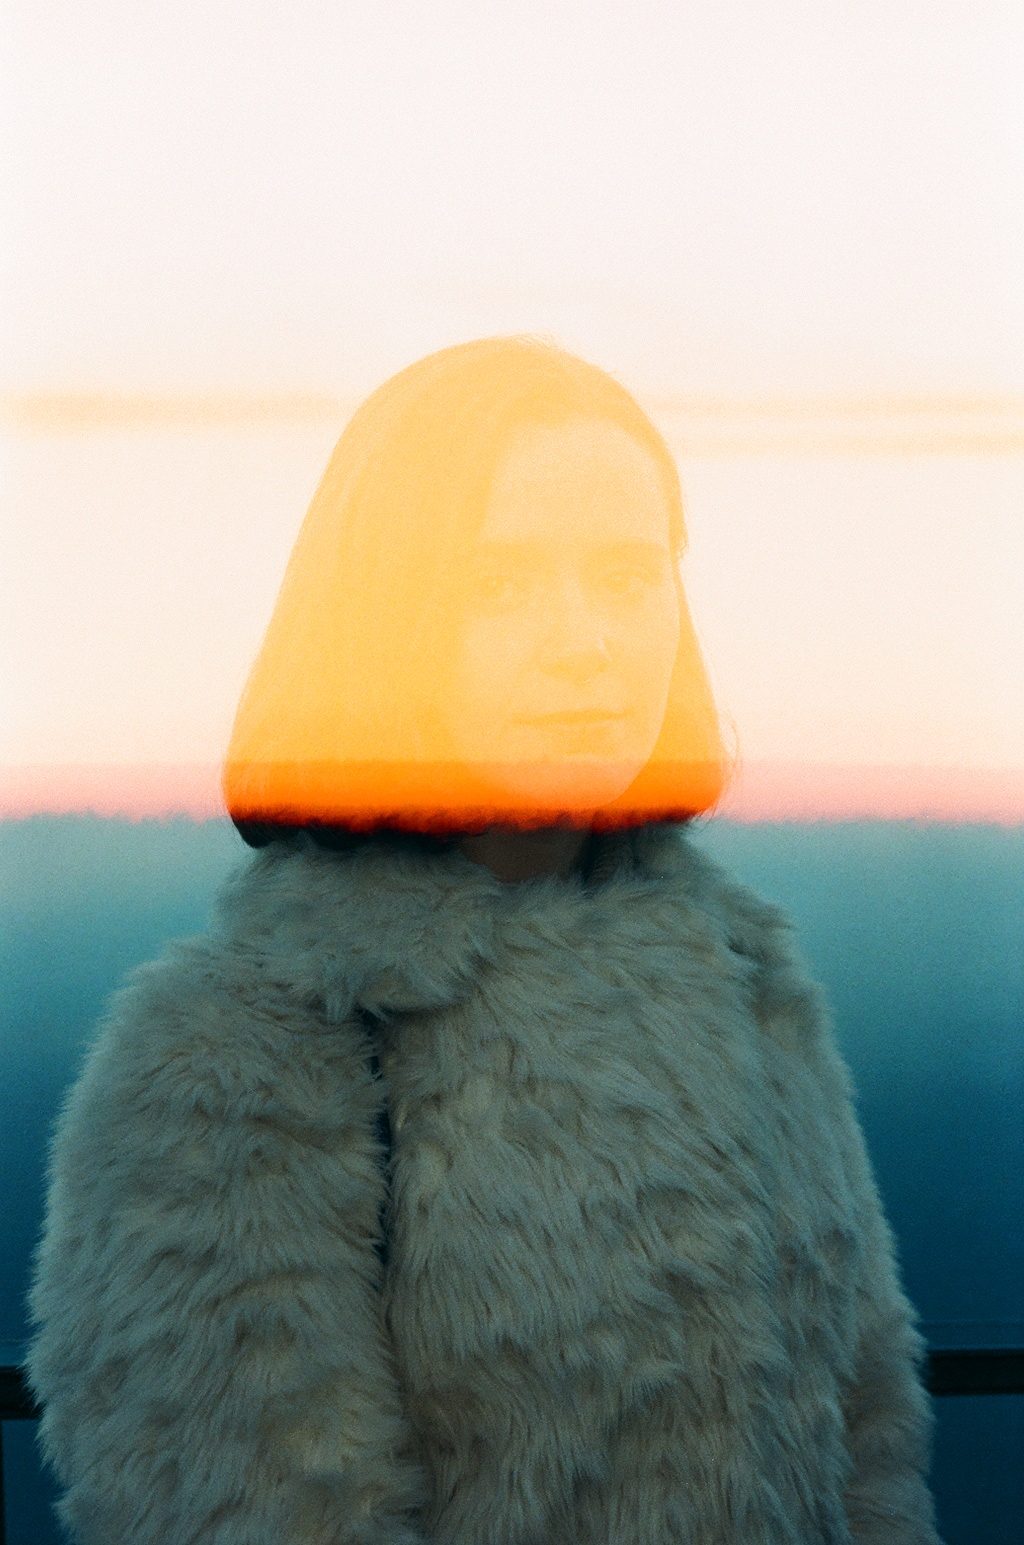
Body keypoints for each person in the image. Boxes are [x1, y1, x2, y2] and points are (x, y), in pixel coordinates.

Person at [23, 335, 943, 1543]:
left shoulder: (745, 976)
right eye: (501, 586)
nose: (584, 639)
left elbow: (867, 1441)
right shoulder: (234, 1054)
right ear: (381, 620)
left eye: (626, 576)